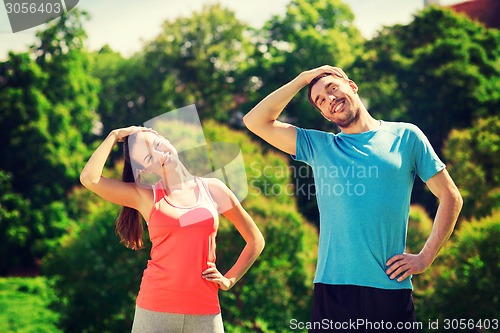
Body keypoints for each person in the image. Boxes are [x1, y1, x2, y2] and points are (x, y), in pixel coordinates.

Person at [243, 65, 463, 332]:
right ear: (323, 114)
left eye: (333, 88)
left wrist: (425, 258)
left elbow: (451, 197)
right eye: (320, 101)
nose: (330, 99)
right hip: (333, 290)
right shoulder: (319, 146)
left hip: (389, 288)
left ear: (352, 86)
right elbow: (255, 121)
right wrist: (303, 79)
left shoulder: (406, 136)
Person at [80, 126, 265, 333]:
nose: (160, 154)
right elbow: (90, 179)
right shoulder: (145, 197)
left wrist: (230, 279)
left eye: (157, 145)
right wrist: (114, 135)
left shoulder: (214, 189)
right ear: (146, 171)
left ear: (167, 140)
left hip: (205, 310)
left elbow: (255, 240)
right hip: (155, 310)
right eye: (149, 158)